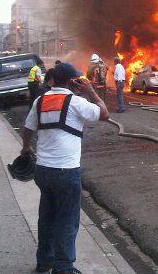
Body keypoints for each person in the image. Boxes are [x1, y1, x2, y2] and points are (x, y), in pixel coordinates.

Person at [21, 62, 109, 274]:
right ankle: (63, 267)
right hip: (66, 171)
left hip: (43, 170)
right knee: (67, 220)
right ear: (71, 82)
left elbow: (28, 127)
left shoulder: (41, 100)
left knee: (47, 217)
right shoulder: (76, 102)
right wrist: (91, 92)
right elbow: (104, 114)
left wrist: (25, 148)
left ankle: (44, 261)